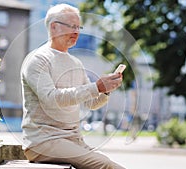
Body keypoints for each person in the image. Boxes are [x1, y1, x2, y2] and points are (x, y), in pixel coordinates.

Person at [20, 3, 125, 169]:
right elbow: (51, 99)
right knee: (105, 165)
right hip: (44, 141)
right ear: (54, 27)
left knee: (116, 166)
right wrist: (96, 87)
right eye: (71, 26)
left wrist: (106, 91)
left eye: (78, 27)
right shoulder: (37, 60)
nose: (76, 32)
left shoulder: (75, 62)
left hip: (73, 141)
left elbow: (91, 103)